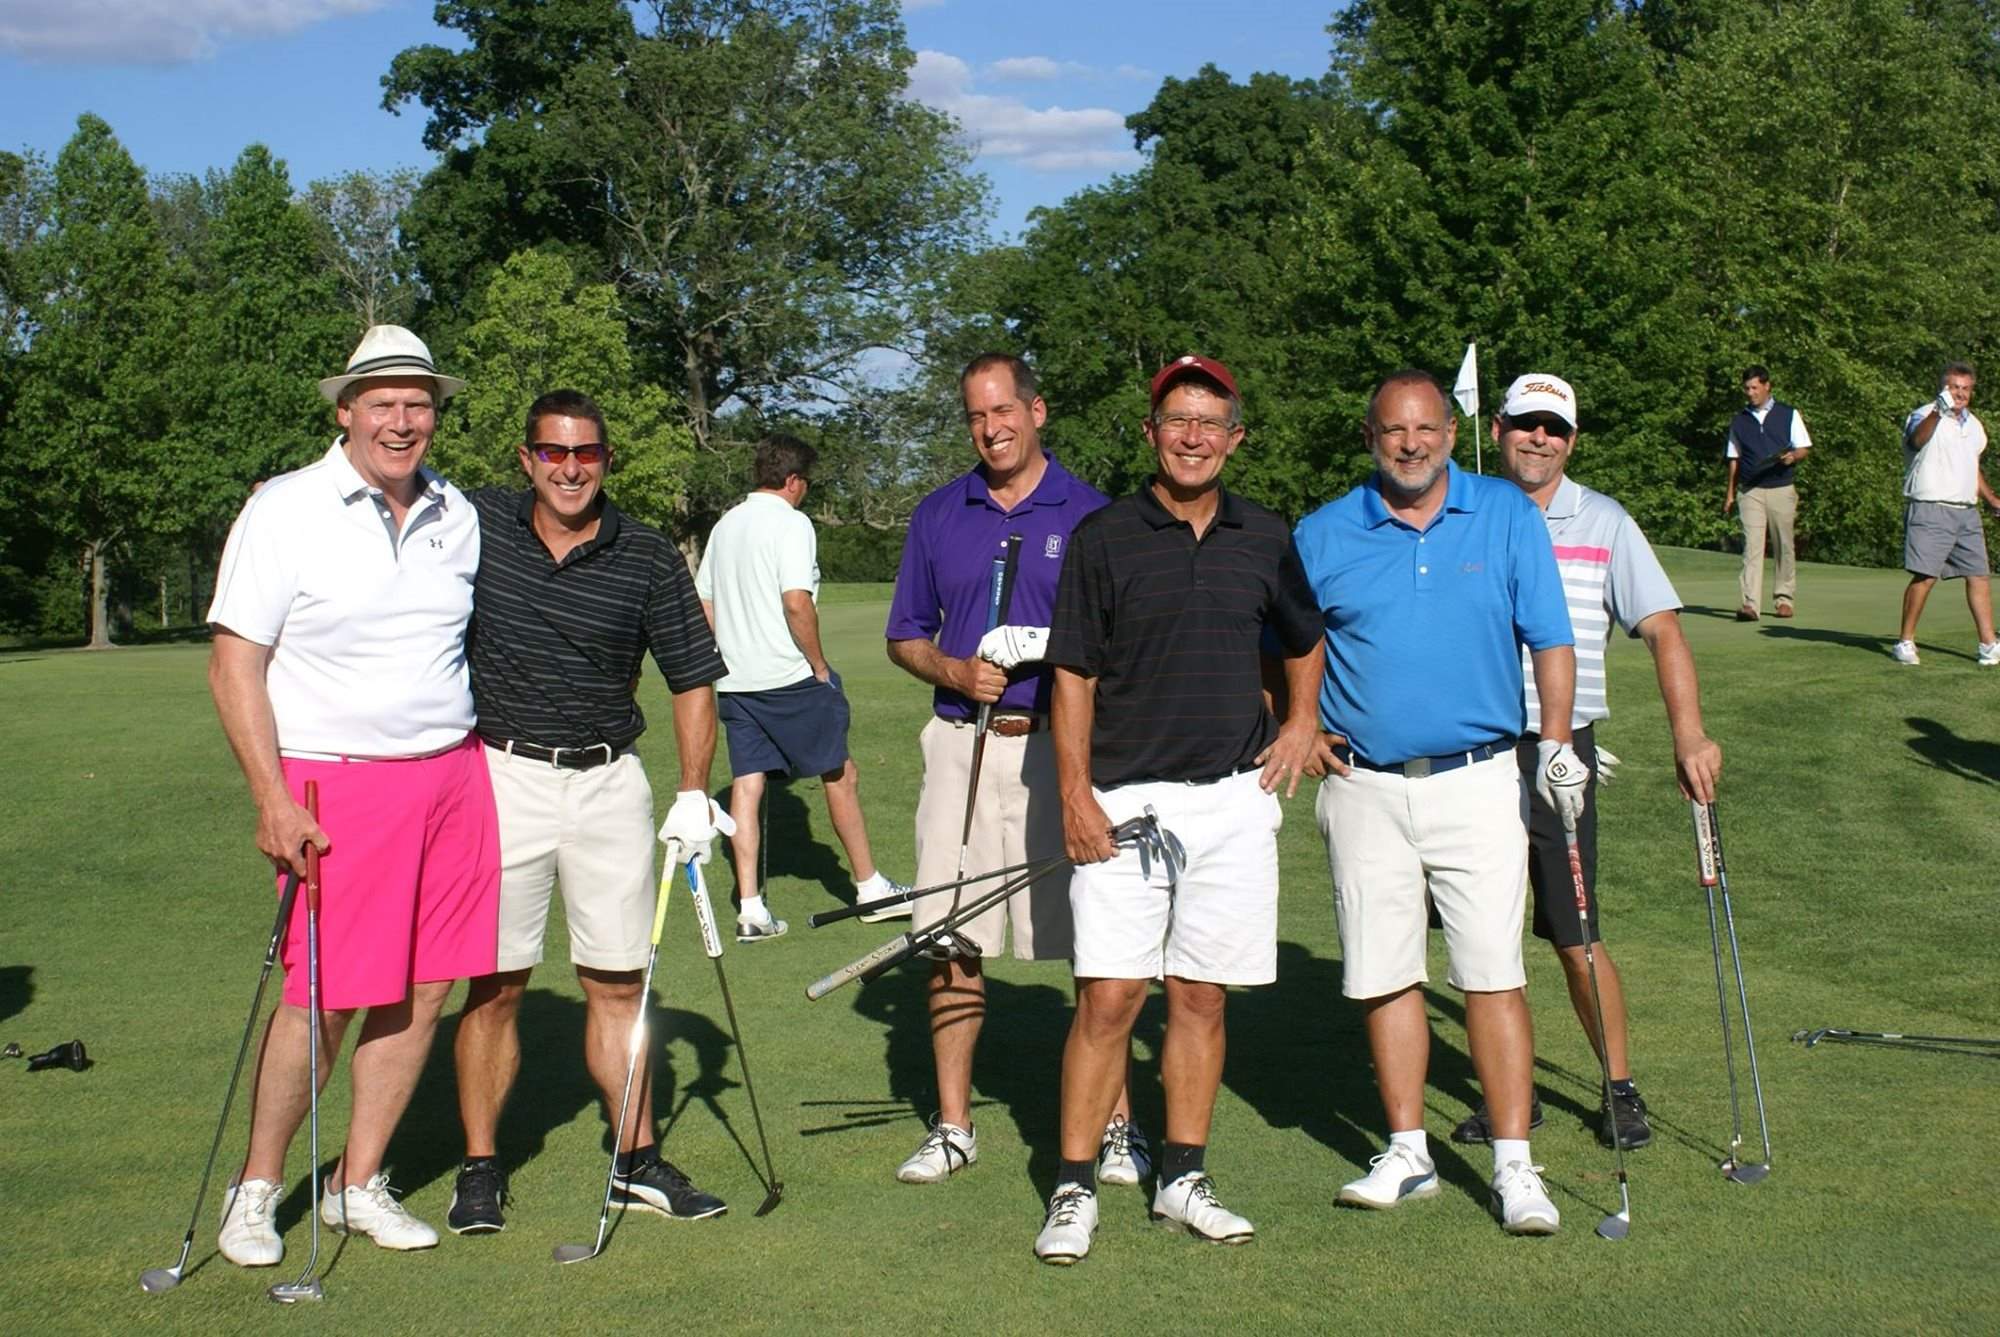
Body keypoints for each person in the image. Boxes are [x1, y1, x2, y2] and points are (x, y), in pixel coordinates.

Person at [207, 325, 497, 1263]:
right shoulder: (285, 509)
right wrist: (271, 797)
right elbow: (234, 664)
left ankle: (355, 1181)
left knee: (426, 986)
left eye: (419, 404)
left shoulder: (458, 510)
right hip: (336, 784)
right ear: (346, 411)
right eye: (383, 404)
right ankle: (256, 1188)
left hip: (453, 775)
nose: (402, 421)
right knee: (324, 995)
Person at [1031, 354, 1323, 1265]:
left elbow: (1304, 638)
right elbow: (1072, 673)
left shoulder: (1264, 533)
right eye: (1176, 420)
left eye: (1210, 422)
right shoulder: (1103, 536)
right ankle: (1075, 1185)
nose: (1193, 437)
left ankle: (1183, 1177)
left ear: (1235, 438)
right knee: (1109, 995)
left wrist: (1301, 722)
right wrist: (1074, 794)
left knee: (1199, 995)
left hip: (1232, 799)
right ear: (1151, 432)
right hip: (1125, 800)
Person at [1293, 369, 1581, 1236]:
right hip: (1363, 784)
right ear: (1370, 437)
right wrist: (1297, 723)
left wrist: (1556, 742)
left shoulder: (1505, 513)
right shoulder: (1323, 531)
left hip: (1479, 776)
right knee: (1383, 971)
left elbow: (1551, 637)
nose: (1411, 444)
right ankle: (1408, 1149)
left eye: (1426, 429)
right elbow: (1290, 643)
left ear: (1453, 434)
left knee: (1492, 971)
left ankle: (1514, 1163)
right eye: (1393, 430)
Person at [447, 389, 732, 1235]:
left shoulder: (644, 552)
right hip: (504, 776)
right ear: (526, 458)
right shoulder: (477, 523)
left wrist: (693, 790)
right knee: (496, 982)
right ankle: (479, 1166)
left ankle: (635, 1159)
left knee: (616, 979)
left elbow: (692, 678)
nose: (570, 469)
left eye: (587, 454)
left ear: (607, 459)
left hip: (609, 783)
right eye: (553, 452)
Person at [885, 353, 1143, 1188]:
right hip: (961, 742)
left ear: (1037, 411)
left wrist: (1048, 646)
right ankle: (953, 1125)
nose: (990, 428)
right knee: (951, 938)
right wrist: (954, 670)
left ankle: (1118, 1127)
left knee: (1098, 945)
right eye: (975, 415)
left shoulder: (1093, 513)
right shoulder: (939, 513)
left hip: (1062, 750)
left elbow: (1124, 641)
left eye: (1003, 410)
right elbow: (904, 634)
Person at [1465, 372, 1724, 1152]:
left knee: (1574, 931)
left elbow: (1663, 629)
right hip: (1469, 749)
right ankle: (1512, 1095)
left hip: (1559, 751)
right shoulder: (1462, 511)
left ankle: (1619, 1086)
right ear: (1498, 428)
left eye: (1554, 428)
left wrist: (1689, 735)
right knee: (1481, 935)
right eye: (1525, 424)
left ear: (1571, 441)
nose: (1538, 438)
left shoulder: (1604, 520)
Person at [696, 434, 908, 941]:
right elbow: (797, 602)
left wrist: (727, 659)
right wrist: (818, 664)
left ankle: (751, 909)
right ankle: (871, 890)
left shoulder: (726, 524)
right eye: (805, 483)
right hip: (789, 678)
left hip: (735, 682)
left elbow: (705, 603)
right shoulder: (792, 522)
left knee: (747, 784)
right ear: (793, 481)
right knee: (841, 773)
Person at [1891, 362, 2000, 666]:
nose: (1960, 394)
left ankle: (1988, 644)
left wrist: (1992, 499)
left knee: (1979, 575)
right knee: (1925, 576)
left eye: (1966, 388)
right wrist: (1939, 411)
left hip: (1966, 511)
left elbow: (1970, 467)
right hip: (1930, 507)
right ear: (1943, 388)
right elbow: (1916, 440)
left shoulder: (1974, 425)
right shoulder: (1923, 414)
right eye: (1954, 387)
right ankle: (1905, 642)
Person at [1724, 366, 1811, 621]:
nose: (1750, 393)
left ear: (1766, 386)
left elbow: (1804, 447)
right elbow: (1734, 459)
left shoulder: (1788, 414)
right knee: (1752, 547)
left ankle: (1784, 599)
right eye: (1747, 388)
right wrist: (1730, 494)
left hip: (1781, 488)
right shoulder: (1739, 421)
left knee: (1784, 544)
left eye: (1754, 388)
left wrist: (1792, 457)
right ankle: (1750, 604)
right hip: (1750, 490)